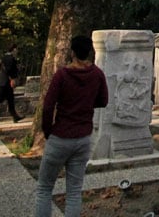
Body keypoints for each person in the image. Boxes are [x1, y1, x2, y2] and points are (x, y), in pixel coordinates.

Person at [35, 34, 109, 217]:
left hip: (60, 135)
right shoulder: (97, 74)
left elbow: (48, 106)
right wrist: (86, 103)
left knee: (44, 188)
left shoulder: (62, 75)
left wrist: (47, 131)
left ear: (72, 52)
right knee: (74, 192)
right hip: (83, 137)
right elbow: (103, 100)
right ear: (90, 51)